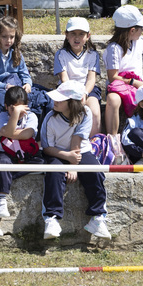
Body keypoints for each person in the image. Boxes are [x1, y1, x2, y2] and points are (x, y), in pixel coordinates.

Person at [40, 82, 110, 241]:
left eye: (60, 99)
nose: (55, 102)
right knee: (54, 173)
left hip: (80, 150)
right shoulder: (50, 118)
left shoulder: (86, 113)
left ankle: (98, 217)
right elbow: (47, 148)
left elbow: (77, 141)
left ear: (72, 103)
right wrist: (68, 158)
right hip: (57, 152)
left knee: (95, 172)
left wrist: (74, 166)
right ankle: (52, 218)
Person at [103, 5, 143, 135]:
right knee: (113, 100)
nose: (142, 31)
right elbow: (112, 77)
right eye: (141, 28)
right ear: (132, 30)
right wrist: (133, 82)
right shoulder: (114, 48)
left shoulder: (137, 41)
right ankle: (112, 138)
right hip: (120, 87)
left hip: (137, 86)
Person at [0, 85, 40, 229]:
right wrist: (14, 115)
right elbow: (11, 130)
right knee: (4, 163)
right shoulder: (1, 116)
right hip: (6, 152)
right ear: (6, 107)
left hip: (26, 154)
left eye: (21, 108)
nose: (18, 112)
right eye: (13, 109)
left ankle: (8, 175)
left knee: (42, 162)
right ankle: (1, 198)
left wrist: (4, 133)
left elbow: (27, 134)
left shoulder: (31, 116)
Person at [54, 16, 102, 133]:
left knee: (94, 111)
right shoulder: (61, 54)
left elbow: (91, 79)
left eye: (81, 34)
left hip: (87, 90)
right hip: (67, 90)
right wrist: (74, 95)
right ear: (66, 35)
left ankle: (94, 141)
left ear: (88, 36)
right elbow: (64, 79)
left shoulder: (92, 54)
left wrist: (84, 93)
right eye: (73, 33)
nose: (77, 38)